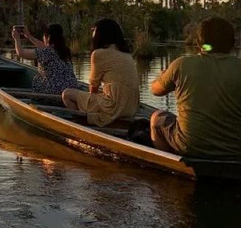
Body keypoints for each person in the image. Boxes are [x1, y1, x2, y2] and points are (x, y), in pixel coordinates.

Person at [149, 17, 241, 159]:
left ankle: (170, 163)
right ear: (233, 44)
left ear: (198, 43)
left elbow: (155, 90)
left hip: (190, 147)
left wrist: (163, 76)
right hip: (234, 150)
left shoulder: (181, 65)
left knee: (157, 118)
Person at [61, 18, 139, 127]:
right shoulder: (127, 54)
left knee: (67, 94)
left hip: (113, 107)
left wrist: (88, 102)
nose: (92, 34)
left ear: (100, 34)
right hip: (131, 108)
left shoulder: (99, 54)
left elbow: (93, 87)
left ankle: (83, 125)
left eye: (94, 31)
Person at [11, 24, 78, 95]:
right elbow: (44, 47)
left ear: (48, 37)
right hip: (71, 90)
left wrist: (16, 39)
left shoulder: (46, 52)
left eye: (44, 36)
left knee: (38, 81)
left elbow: (21, 53)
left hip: (54, 91)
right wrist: (29, 37)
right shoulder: (65, 50)